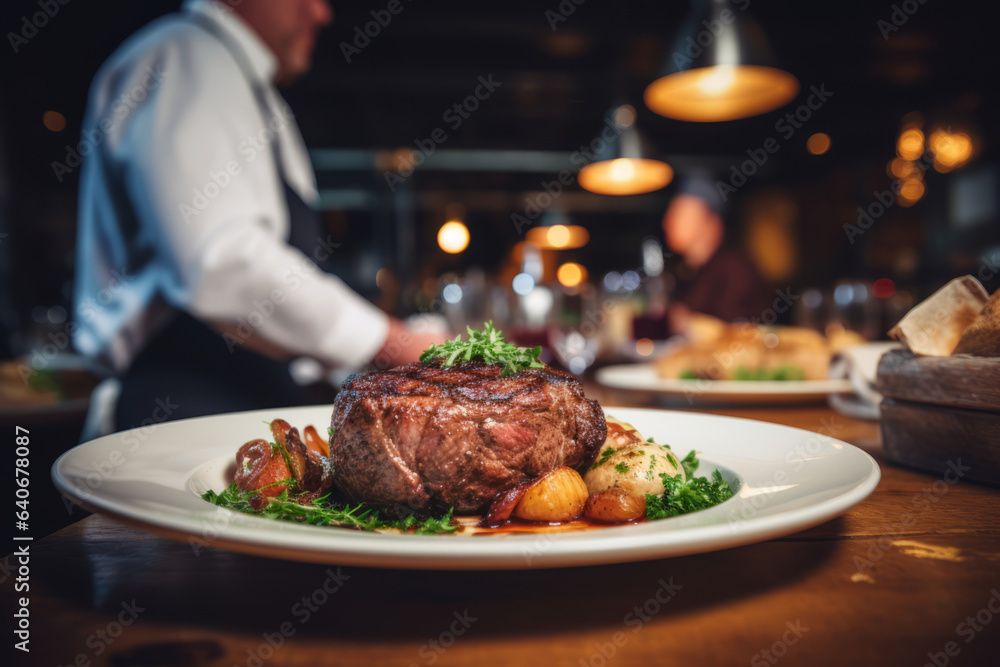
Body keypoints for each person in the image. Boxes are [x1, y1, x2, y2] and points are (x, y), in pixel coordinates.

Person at [73, 0, 440, 430]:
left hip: (243, 399)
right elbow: (220, 262)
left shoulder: (248, 87)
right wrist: (392, 342)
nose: (322, 14)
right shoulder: (188, 54)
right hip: (180, 405)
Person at [661, 177, 765, 332]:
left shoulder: (735, 269)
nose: (667, 222)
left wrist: (687, 322)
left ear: (712, 222)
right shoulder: (683, 270)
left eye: (680, 213)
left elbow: (739, 333)